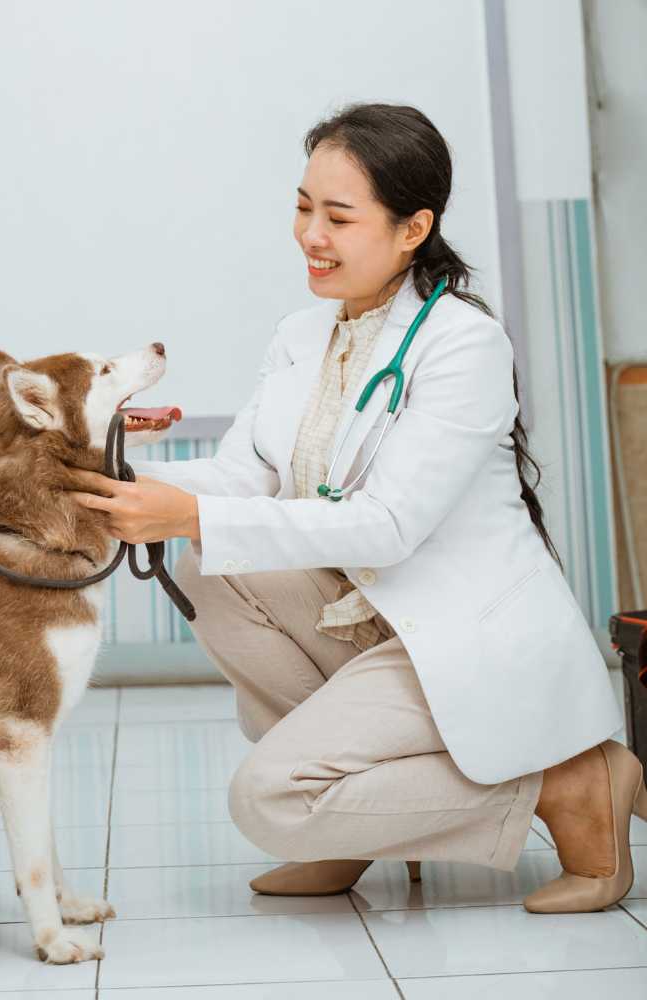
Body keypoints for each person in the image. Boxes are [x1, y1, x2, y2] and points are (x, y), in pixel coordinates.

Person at [66, 103, 646, 913]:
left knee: (268, 801)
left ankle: (567, 785)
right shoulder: (301, 335)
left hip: (453, 635)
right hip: (368, 613)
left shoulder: (462, 344)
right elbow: (242, 478)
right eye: (303, 207)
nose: (311, 235)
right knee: (209, 568)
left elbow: (389, 523)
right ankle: (347, 820)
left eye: (338, 217)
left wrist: (187, 514)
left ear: (414, 229)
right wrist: (96, 463)